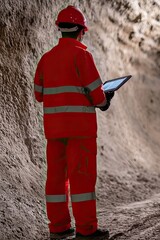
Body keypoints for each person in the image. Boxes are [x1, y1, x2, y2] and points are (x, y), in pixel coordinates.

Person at [33, 5, 112, 240]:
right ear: (81, 31)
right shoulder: (82, 55)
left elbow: (39, 94)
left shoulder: (46, 59)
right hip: (81, 131)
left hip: (54, 131)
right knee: (81, 179)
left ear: (60, 30)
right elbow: (97, 96)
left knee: (56, 180)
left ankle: (58, 227)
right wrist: (105, 99)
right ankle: (87, 230)